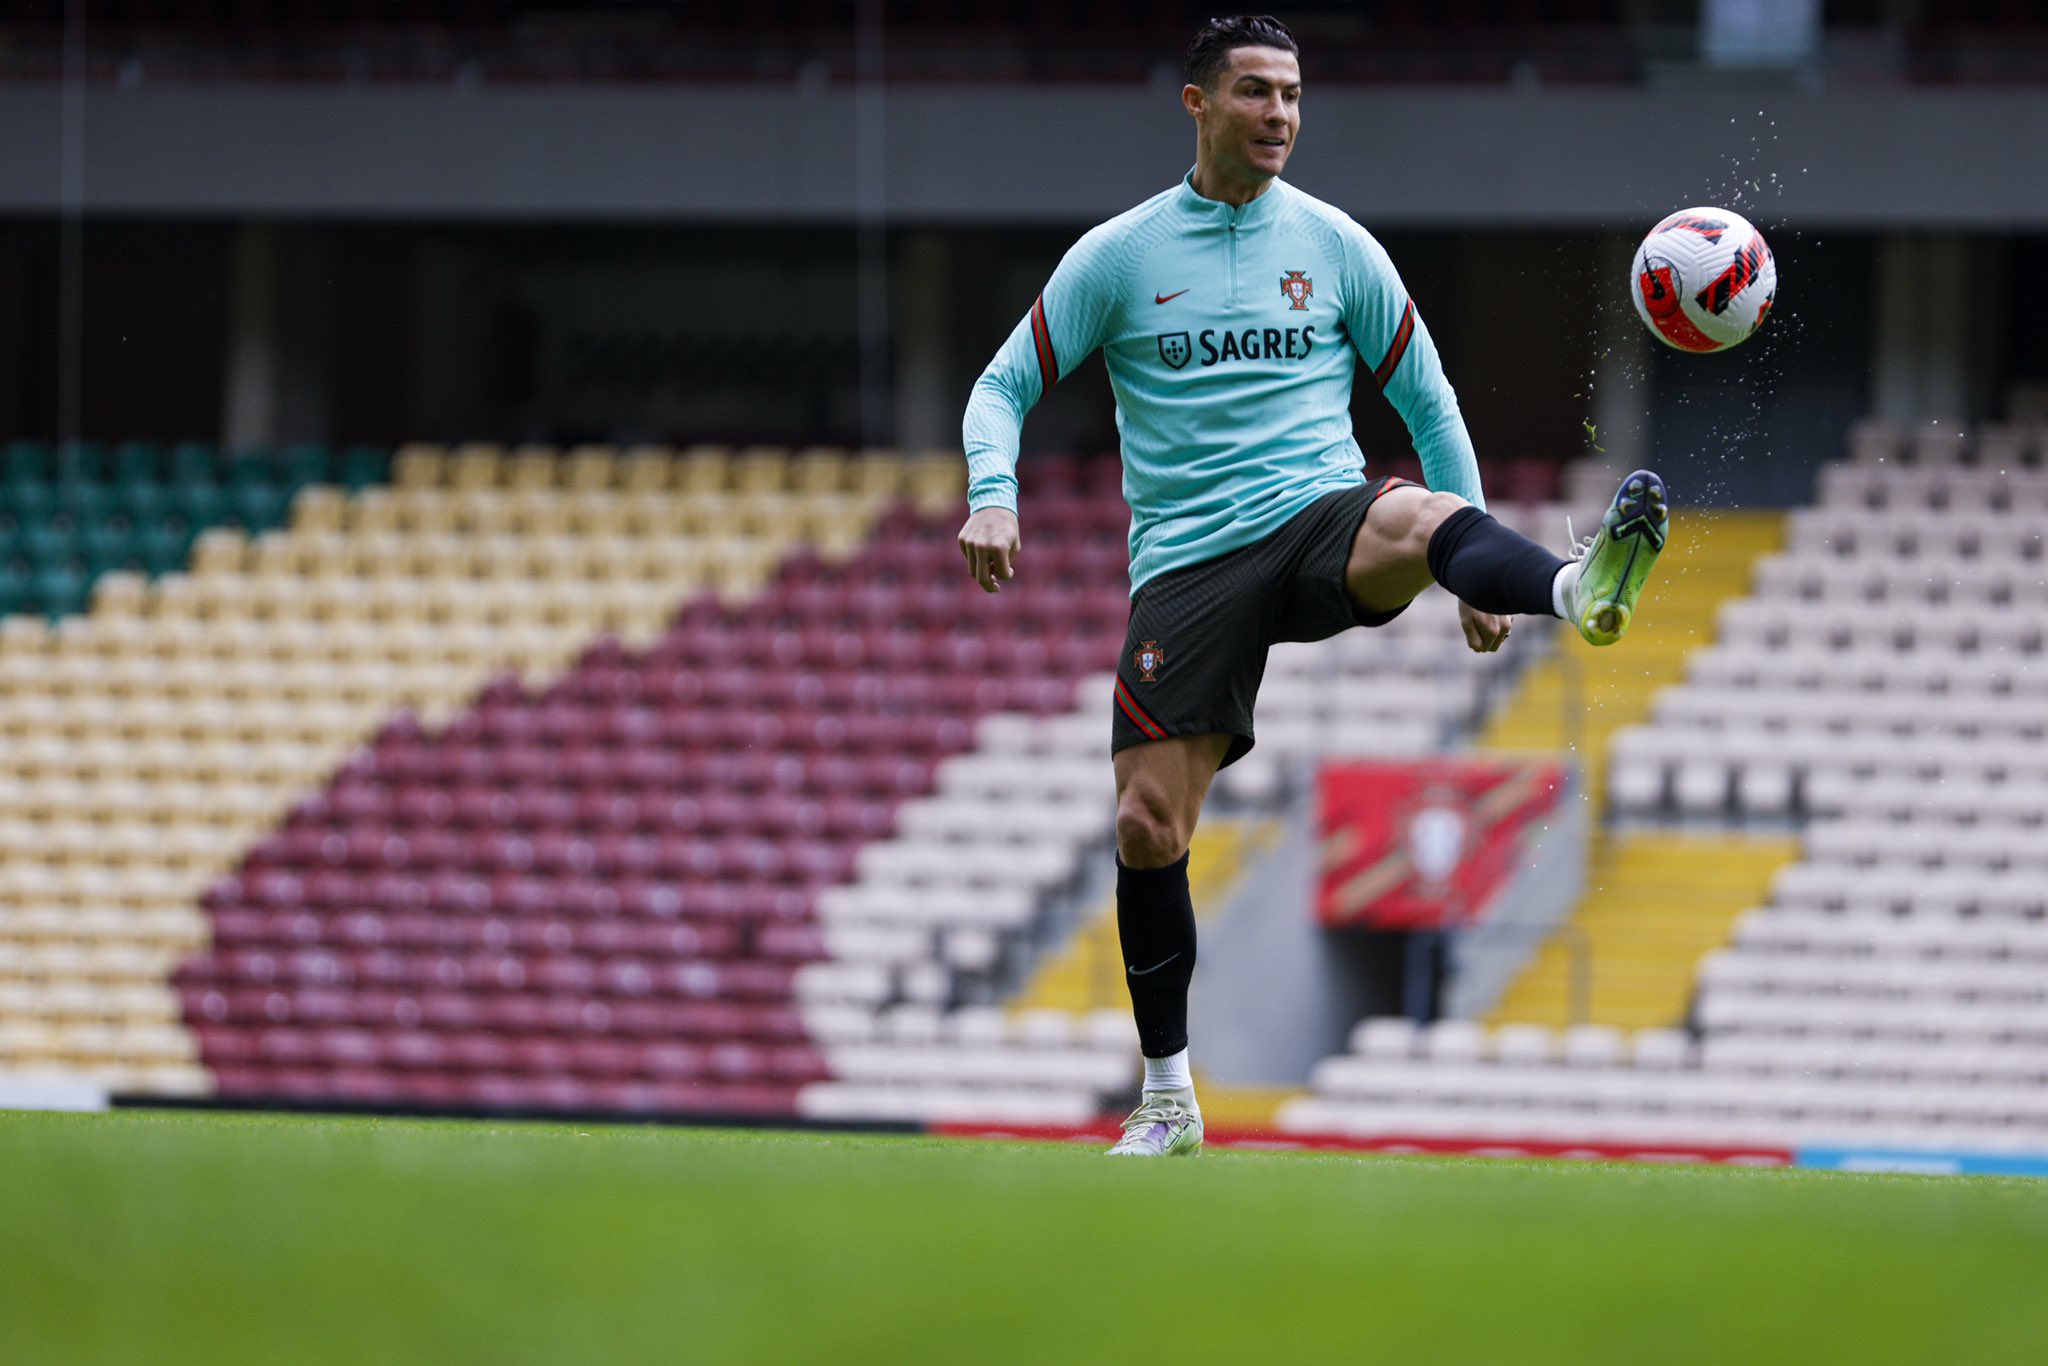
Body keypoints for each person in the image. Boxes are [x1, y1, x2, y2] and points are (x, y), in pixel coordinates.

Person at [956, 15, 1668, 1156]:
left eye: (1290, 95)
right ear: (1195, 104)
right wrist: (994, 491)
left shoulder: (1335, 247)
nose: (1278, 115)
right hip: (1187, 561)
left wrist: (1474, 571)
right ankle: (1169, 1095)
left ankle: (1569, 588)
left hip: (1318, 514)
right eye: (1252, 93)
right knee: (1147, 825)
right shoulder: (1121, 256)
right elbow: (1000, 386)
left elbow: (1429, 404)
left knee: (1423, 516)